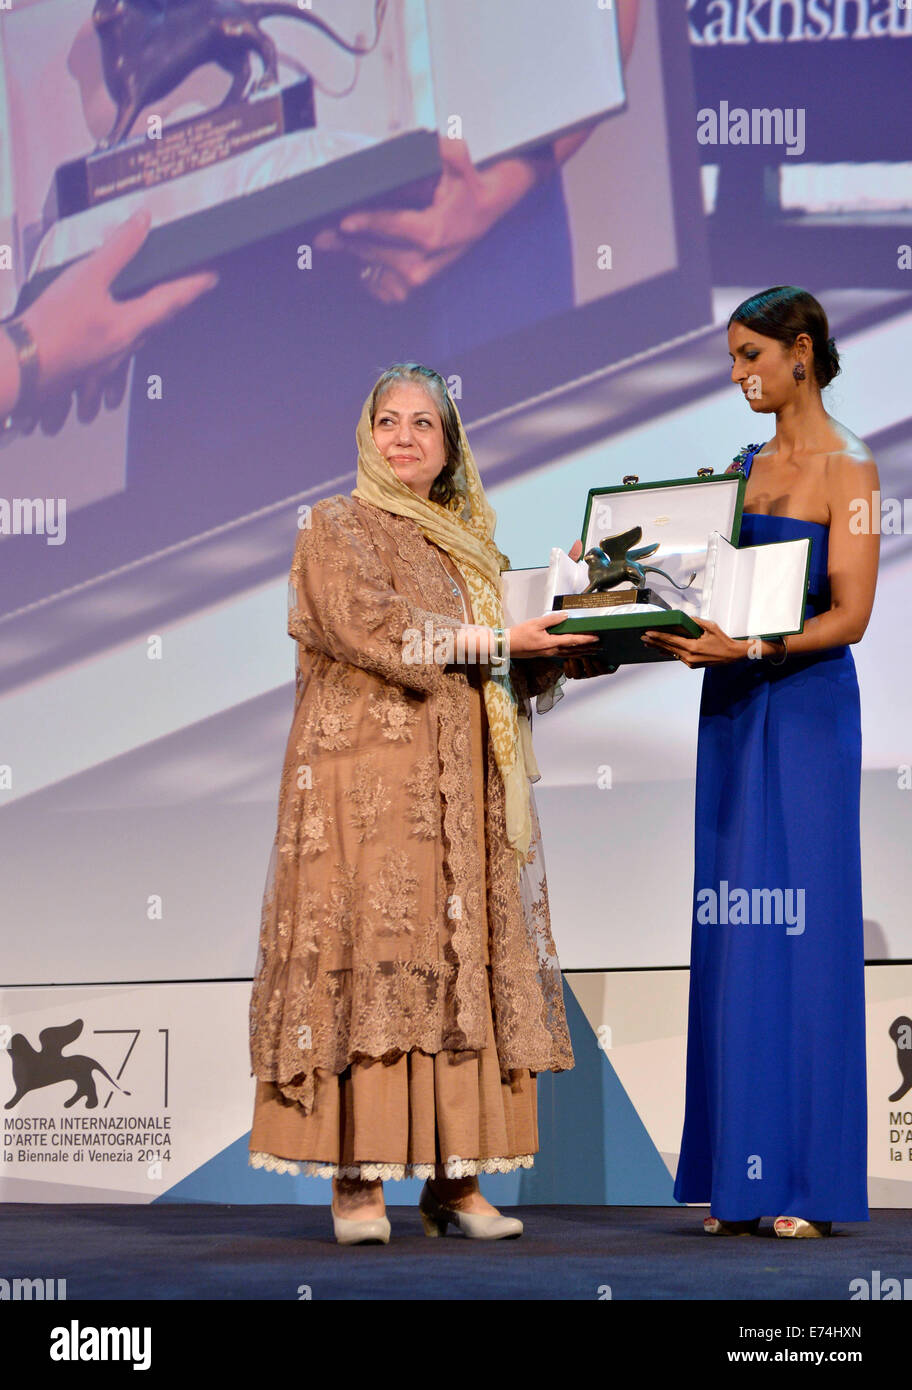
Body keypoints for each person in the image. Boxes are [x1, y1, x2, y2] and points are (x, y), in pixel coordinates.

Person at [247, 361, 600, 1244]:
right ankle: (357, 1185)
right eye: (388, 421)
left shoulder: (467, 543)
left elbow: (500, 662)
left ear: (449, 450)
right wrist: (497, 637)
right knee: (376, 956)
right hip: (364, 787)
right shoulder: (336, 526)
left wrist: (569, 633)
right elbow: (368, 624)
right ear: (366, 436)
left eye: (423, 425)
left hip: (459, 790)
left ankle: (456, 1182)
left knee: (458, 961)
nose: (403, 437)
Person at [642, 286, 879, 1238]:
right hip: (735, 708)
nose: (738, 375)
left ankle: (809, 1189)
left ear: (802, 351)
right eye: (732, 360)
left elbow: (853, 615)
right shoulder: (741, 468)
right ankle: (743, 1183)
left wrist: (758, 651)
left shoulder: (851, 468)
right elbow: (709, 584)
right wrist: (617, 583)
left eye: (750, 356)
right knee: (738, 933)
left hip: (808, 710)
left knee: (806, 937)